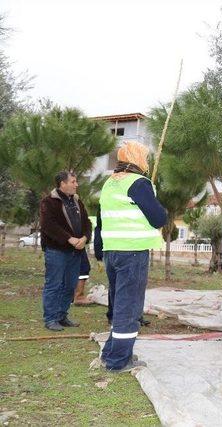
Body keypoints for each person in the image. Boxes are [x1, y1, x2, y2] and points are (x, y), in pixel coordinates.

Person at [96, 140, 167, 373]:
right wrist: (160, 206)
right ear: (137, 159)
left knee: (119, 304)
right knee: (130, 307)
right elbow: (158, 218)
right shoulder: (138, 183)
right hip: (133, 251)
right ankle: (119, 361)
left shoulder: (109, 183)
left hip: (112, 251)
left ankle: (111, 353)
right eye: (144, 157)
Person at [40, 171, 92, 331]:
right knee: (54, 284)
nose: (76, 185)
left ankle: (62, 315)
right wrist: (69, 239)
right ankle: (50, 319)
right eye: (73, 182)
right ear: (62, 183)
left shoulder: (77, 202)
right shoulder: (49, 202)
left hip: (76, 252)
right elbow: (49, 225)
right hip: (57, 251)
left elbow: (87, 222)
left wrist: (84, 238)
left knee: (70, 285)